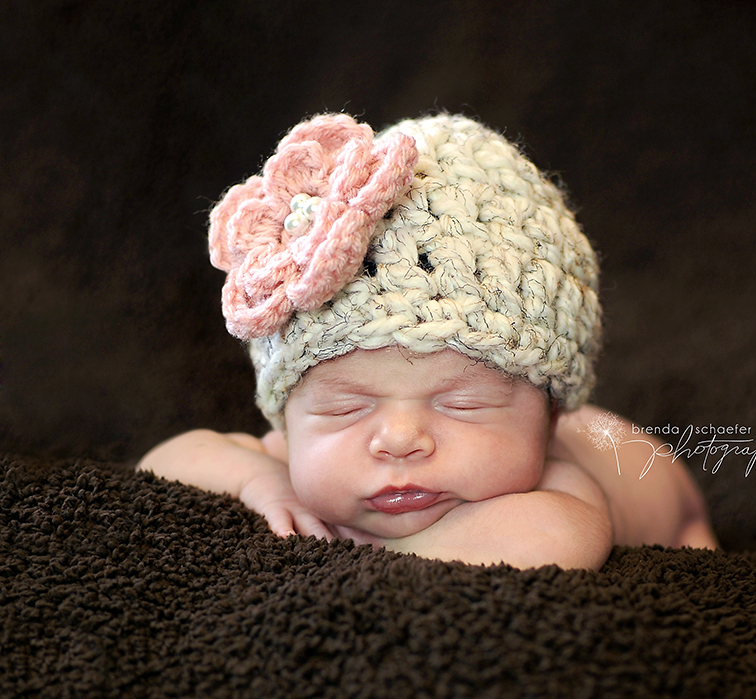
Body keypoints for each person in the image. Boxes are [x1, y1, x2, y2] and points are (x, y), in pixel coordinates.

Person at [139, 112, 717, 570]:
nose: (399, 439)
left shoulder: (554, 486)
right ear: (288, 417)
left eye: (460, 404)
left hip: (664, 494)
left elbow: (553, 538)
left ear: (549, 415)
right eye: (345, 408)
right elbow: (167, 460)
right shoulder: (297, 460)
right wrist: (255, 480)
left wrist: (359, 561)